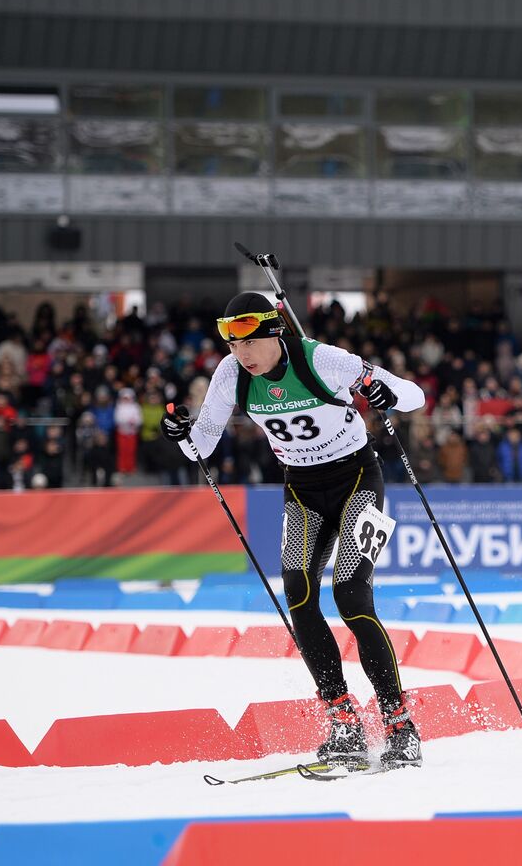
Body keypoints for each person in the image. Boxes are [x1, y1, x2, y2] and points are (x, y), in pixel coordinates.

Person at [161, 292, 425, 771]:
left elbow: (415, 396)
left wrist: (388, 395)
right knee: (299, 598)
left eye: (249, 343)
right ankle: (342, 720)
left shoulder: (323, 360)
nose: (241, 355)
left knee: (351, 595)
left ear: (275, 332)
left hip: (359, 480)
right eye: (233, 345)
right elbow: (200, 446)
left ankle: (399, 724)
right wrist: (180, 434)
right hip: (302, 490)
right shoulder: (230, 375)